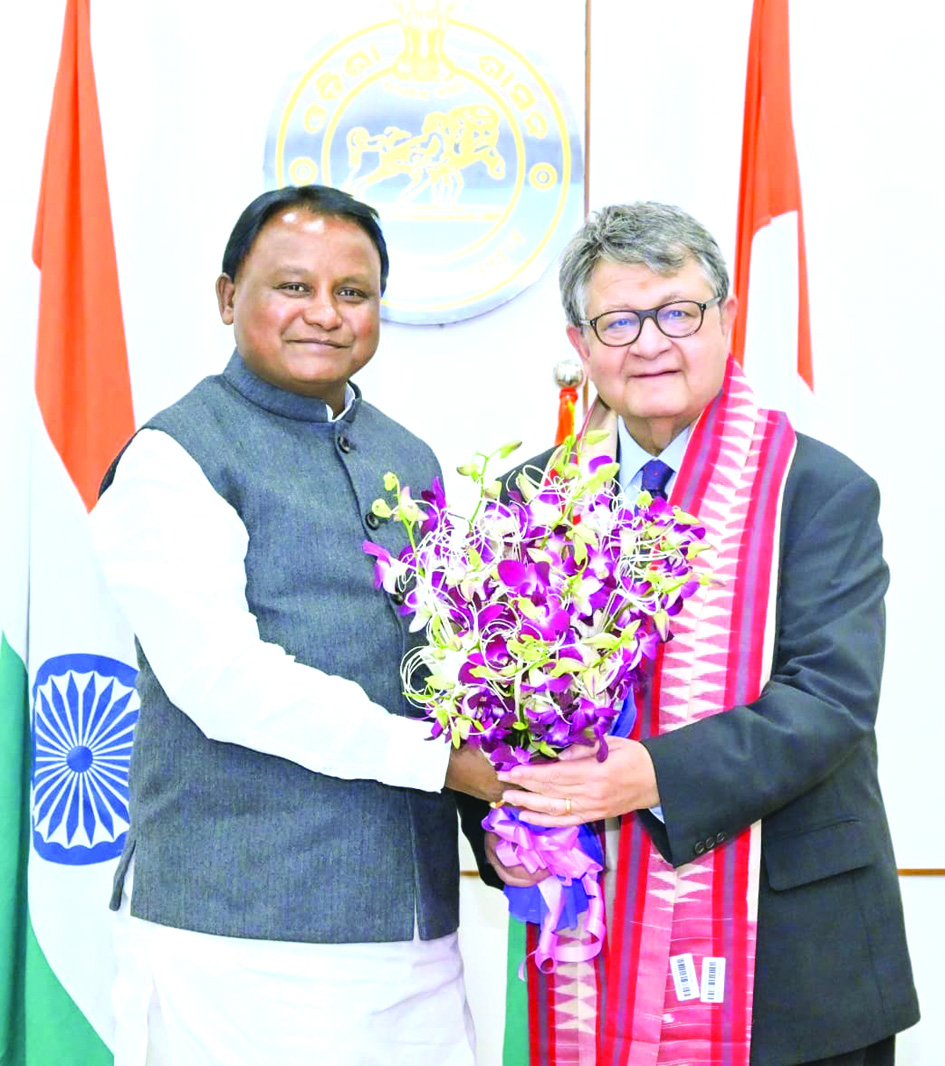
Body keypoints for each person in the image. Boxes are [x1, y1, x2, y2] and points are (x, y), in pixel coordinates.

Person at [482, 203, 919, 1066]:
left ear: (725, 320)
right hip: (592, 938)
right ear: (580, 345)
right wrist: (509, 837)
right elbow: (486, 702)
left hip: (795, 963)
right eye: (618, 322)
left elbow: (828, 702)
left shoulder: (815, 488)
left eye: (677, 313)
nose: (650, 344)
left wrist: (649, 775)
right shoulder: (531, 498)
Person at [90, 184, 500, 1066]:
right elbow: (225, 683)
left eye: (352, 292)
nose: (324, 313)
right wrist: (441, 763)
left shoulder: (407, 457)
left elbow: (446, 669)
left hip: (413, 933)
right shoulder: (175, 456)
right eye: (292, 287)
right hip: (237, 938)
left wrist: (520, 799)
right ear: (227, 297)